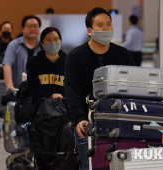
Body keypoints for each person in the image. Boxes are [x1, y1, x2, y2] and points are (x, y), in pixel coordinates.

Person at [64, 7, 136, 170]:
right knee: (90, 166)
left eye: (109, 25)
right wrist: (79, 118)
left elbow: (134, 87)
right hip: (88, 124)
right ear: (90, 31)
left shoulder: (123, 55)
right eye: (100, 25)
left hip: (120, 124)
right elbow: (72, 91)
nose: (106, 29)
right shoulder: (75, 57)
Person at [27, 27, 65, 170]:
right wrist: (50, 96)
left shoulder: (68, 62)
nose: (53, 43)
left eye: (56, 39)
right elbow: (33, 88)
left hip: (63, 107)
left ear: (61, 41)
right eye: (49, 40)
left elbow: (73, 87)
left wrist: (62, 98)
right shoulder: (34, 62)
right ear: (42, 43)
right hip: (42, 108)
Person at [2, 15, 41, 90]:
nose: (33, 29)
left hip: (39, 91)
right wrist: (10, 87)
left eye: (36, 26)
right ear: (23, 29)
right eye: (29, 26)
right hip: (18, 90)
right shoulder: (13, 45)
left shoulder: (44, 46)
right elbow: (7, 65)